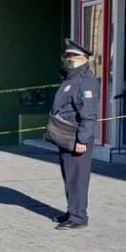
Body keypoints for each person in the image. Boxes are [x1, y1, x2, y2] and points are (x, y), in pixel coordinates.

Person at [49, 39, 100, 230]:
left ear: (84, 58)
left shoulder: (86, 82)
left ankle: (78, 217)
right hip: (65, 135)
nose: (68, 60)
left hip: (76, 136)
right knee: (69, 176)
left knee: (78, 178)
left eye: (72, 57)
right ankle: (72, 210)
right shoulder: (71, 78)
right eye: (67, 56)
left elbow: (89, 114)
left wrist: (83, 139)